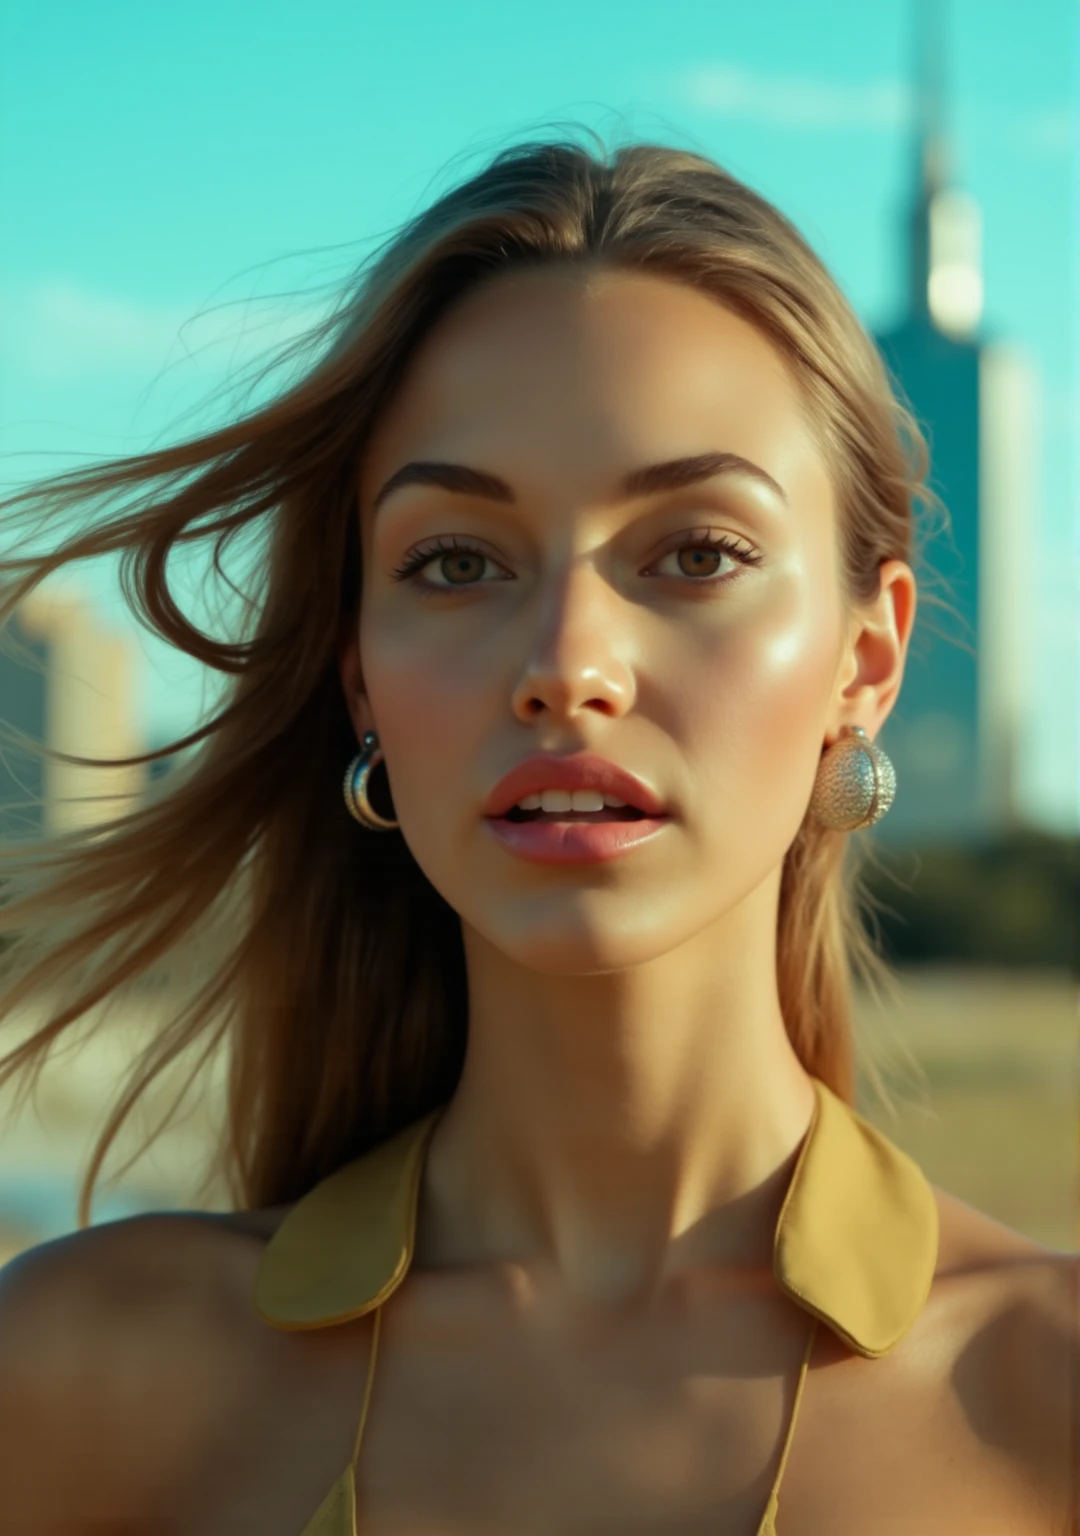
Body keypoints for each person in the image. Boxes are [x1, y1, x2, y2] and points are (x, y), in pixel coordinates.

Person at [0, 130, 1073, 1535]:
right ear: (360, 676)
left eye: (696, 553)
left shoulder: (1047, 1404)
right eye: (456, 561)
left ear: (865, 664)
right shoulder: (83, 1374)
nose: (568, 664)